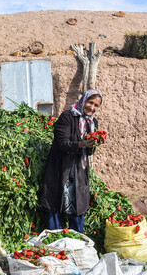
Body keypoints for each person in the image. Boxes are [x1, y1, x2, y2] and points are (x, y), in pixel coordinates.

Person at [39, 89, 103, 233]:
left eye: (96, 105)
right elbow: (62, 143)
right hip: (61, 168)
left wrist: (93, 145)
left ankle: (77, 241)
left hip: (79, 170)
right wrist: (82, 144)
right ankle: (56, 241)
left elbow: (89, 151)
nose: (91, 107)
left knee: (78, 204)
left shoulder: (93, 123)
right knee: (56, 202)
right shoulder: (67, 117)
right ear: (83, 100)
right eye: (90, 102)